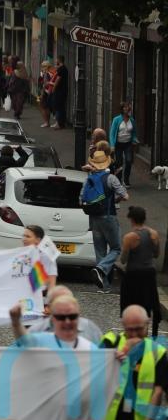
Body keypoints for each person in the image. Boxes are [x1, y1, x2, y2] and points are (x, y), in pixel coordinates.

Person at [100, 305, 167, 420]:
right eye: (130, 329)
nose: (135, 334)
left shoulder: (158, 353)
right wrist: (110, 360)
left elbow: (158, 391)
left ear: (147, 324)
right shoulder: (110, 343)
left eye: (139, 329)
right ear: (123, 325)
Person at [82, 150, 129, 292]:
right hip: (109, 217)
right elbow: (125, 196)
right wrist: (117, 199)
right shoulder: (111, 178)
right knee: (116, 248)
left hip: (94, 219)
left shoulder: (88, 179)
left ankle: (104, 286)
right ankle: (100, 268)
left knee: (100, 251)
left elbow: (81, 199)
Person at [120, 206, 162, 337]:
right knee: (147, 301)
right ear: (144, 218)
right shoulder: (154, 234)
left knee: (130, 301)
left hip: (133, 274)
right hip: (149, 273)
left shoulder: (129, 237)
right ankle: (146, 329)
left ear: (131, 219)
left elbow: (123, 260)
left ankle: (130, 329)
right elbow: (156, 254)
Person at [9, 295, 96, 350]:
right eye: (61, 317)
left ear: (79, 317)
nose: (67, 321)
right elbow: (25, 341)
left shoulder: (91, 349)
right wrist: (16, 322)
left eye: (72, 316)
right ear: (52, 319)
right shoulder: (42, 340)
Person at [27, 285, 103, 343]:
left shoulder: (89, 327)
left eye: (68, 301)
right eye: (59, 303)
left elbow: (103, 353)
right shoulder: (35, 331)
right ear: (49, 307)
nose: (67, 321)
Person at [20, 224, 58, 293]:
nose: (24, 239)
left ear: (38, 240)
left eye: (28, 236)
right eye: (23, 236)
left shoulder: (46, 255)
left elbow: (52, 279)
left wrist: (50, 300)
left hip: (39, 295)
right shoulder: (22, 253)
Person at [109, 102, 138, 187]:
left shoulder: (132, 120)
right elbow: (112, 133)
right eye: (125, 107)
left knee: (129, 161)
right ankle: (118, 180)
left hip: (128, 144)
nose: (127, 109)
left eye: (128, 107)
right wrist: (112, 145)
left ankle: (126, 180)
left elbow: (134, 133)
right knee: (119, 162)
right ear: (122, 109)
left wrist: (135, 139)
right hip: (118, 144)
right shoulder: (116, 119)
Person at [50, 55, 68, 129]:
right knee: (61, 107)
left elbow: (58, 79)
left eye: (57, 59)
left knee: (58, 107)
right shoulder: (64, 69)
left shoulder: (61, 69)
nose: (56, 61)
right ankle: (60, 123)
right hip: (63, 90)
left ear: (59, 60)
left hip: (60, 91)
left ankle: (59, 123)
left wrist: (53, 88)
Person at [38, 60, 55, 128]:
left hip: (46, 92)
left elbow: (45, 84)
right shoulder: (50, 73)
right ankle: (47, 122)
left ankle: (46, 122)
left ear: (47, 67)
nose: (42, 67)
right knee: (45, 107)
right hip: (48, 92)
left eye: (43, 66)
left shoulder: (46, 73)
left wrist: (42, 93)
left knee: (43, 107)